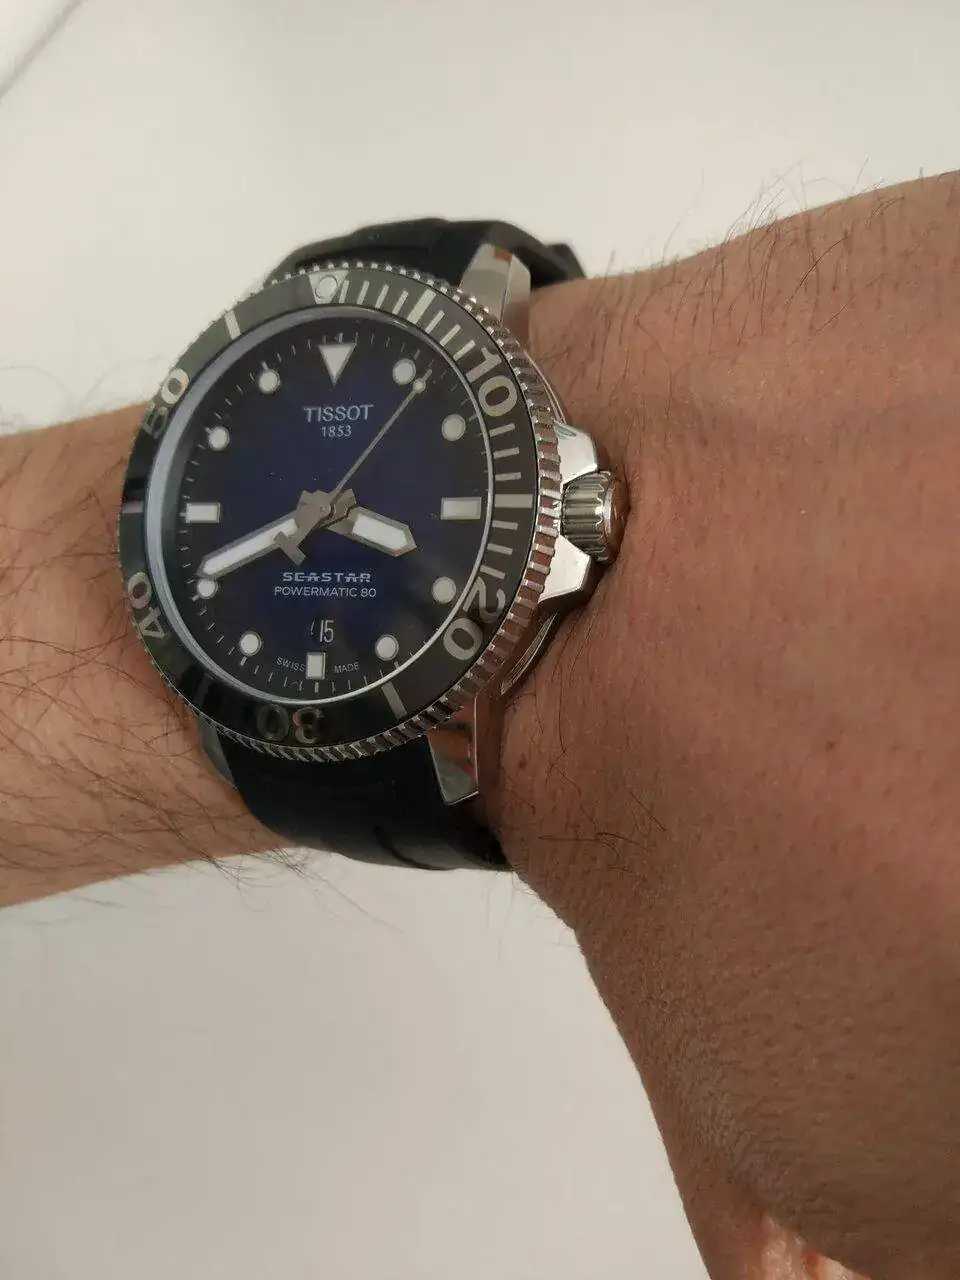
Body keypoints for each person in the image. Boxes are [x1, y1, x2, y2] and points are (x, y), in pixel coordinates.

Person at [2, 171, 958, 1280]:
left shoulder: (537, 507)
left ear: (590, 518)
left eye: (328, 513)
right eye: (316, 512)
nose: (319, 515)